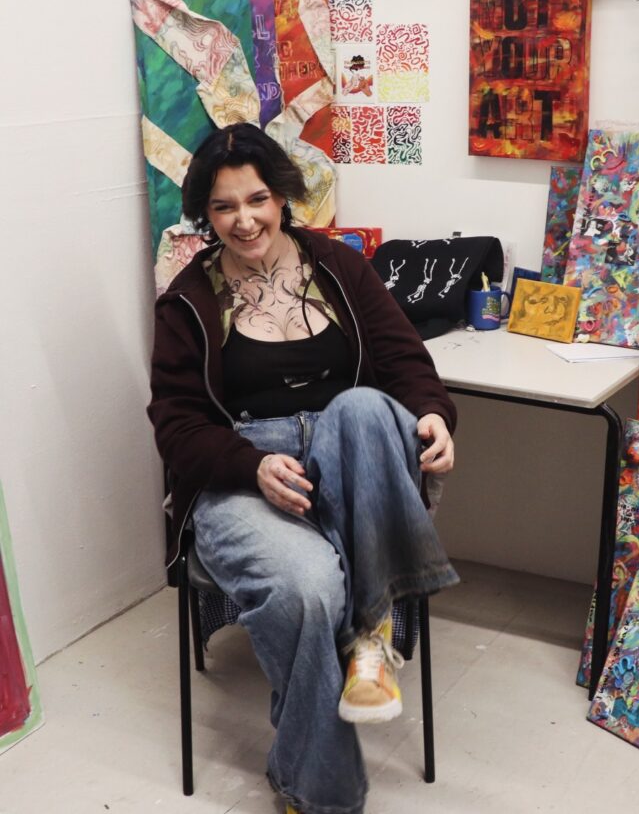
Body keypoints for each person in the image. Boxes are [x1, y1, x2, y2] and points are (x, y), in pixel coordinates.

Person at [148, 122, 459, 814]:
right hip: (244, 474)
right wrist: (250, 465)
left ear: (283, 196)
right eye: (224, 207)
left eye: (256, 198)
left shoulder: (339, 267)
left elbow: (405, 359)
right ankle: (323, 792)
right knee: (310, 586)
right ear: (207, 214)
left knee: (362, 407)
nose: (244, 219)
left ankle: (371, 639)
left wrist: (434, 412)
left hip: (352, 463)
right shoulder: (188, 301)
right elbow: (176, 426)